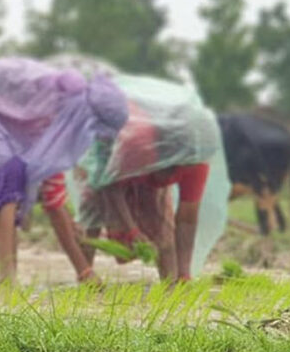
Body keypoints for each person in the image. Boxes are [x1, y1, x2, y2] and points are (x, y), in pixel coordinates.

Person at [0, 57, 128, 283]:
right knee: (7, 172)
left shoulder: (58, 126)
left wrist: (85, 272)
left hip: (1, 115)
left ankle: (12, 277)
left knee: (12, 176)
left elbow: (53, 198)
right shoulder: (50, 101)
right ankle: (7, 280)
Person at [71, 74, 228, 282]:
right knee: (91, 213)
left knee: (163, 228)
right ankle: (86, 278)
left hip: (144, 170)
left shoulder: (197, 160)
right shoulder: (139, 145)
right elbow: (109, 188)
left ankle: (173, 284)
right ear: (168, 149)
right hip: (104, 155)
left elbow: (187, 219)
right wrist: (131, 230)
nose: (189, 164)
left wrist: (184, 273)